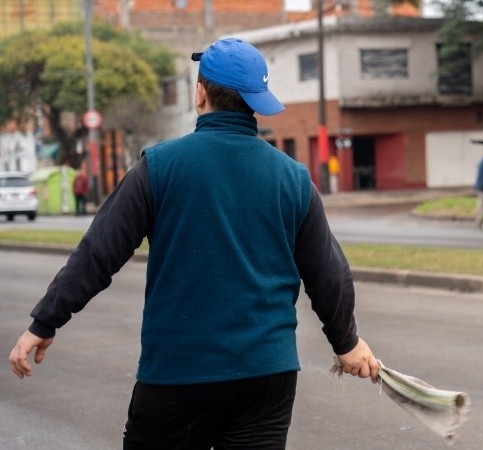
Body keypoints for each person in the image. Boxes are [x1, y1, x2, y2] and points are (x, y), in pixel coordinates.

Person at [8, 37, 379, 449]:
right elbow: (330, 273)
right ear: (256, 101)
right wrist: (346, 343)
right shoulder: (294, 178)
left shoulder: (158, 167)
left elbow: (98, 254)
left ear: (200, 93)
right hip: (267, 376)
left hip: (179, 375)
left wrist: (45, 322)